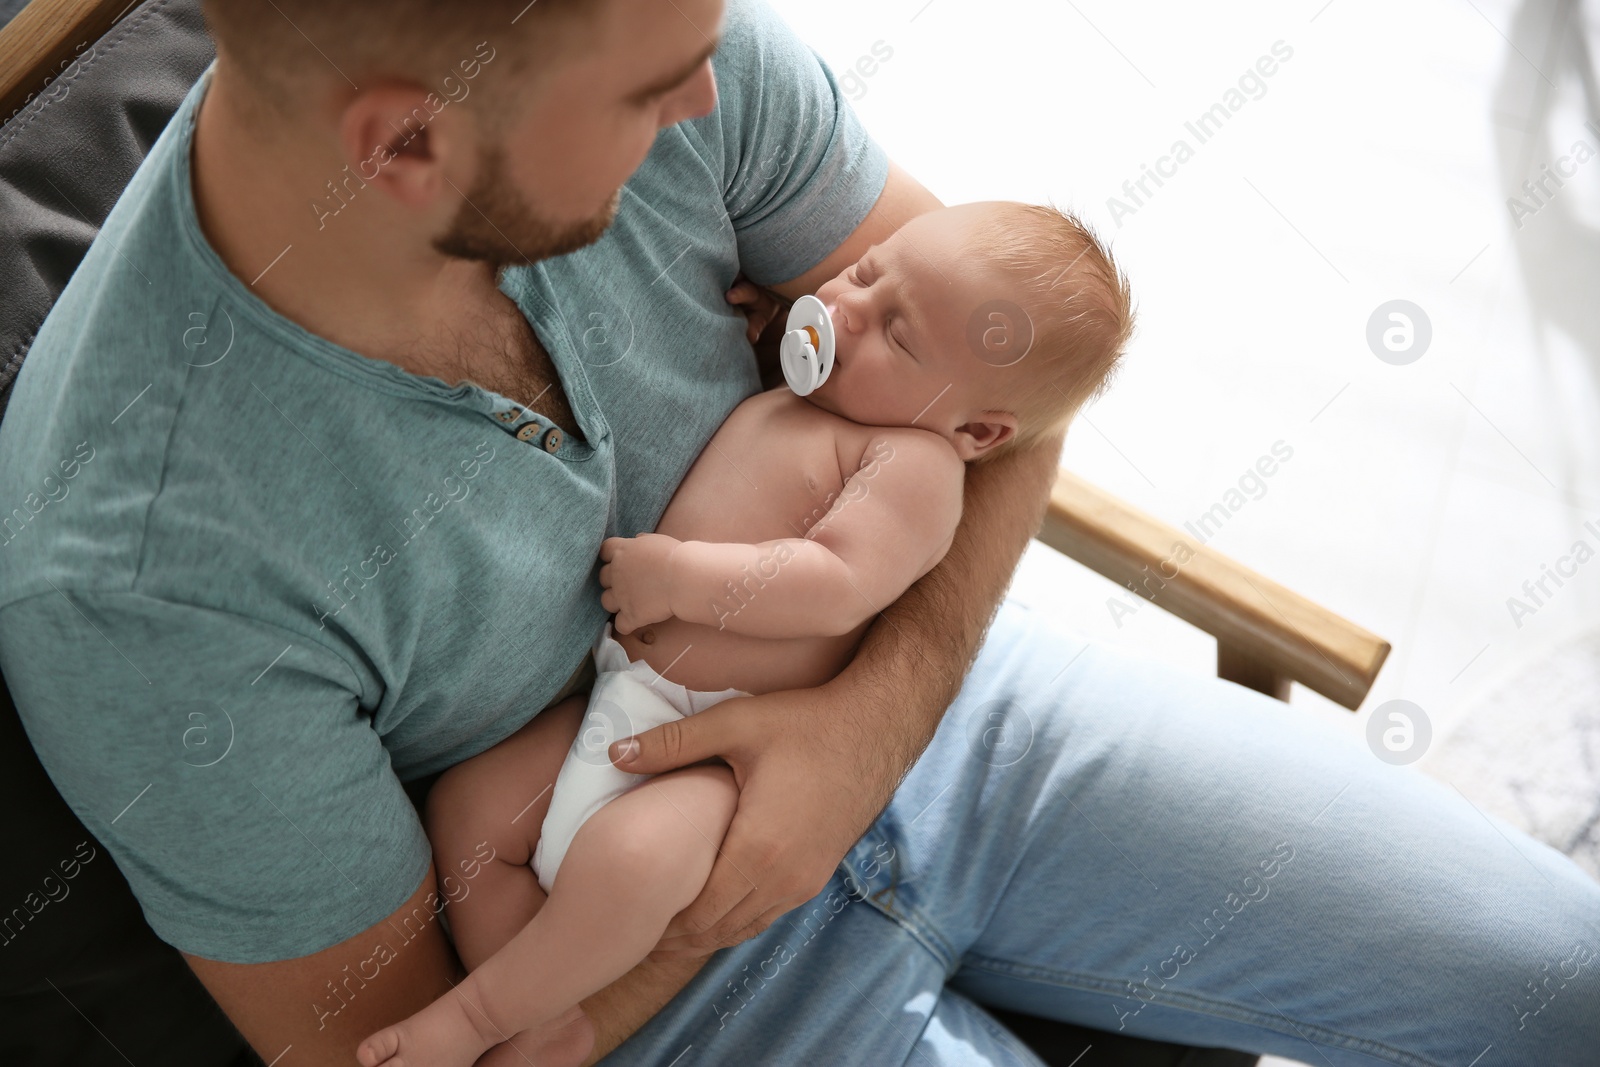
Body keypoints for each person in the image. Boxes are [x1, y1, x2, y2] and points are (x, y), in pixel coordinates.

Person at [0, 0, 1595, 1064]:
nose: (707, 94)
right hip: (659, 981)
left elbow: (1010, 393)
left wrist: (852, 737)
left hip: (947, 716)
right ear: (406, 146)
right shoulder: (147, 580)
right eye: (650, 94)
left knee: (1563, 980)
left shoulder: (657, 40)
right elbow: (401, 1042)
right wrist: (718, 884)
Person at [357, 200, 1134, 1067]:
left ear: (977, 430)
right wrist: (764, 334)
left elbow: (835, 584)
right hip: (621, 699)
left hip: (718, 754)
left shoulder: (914, 467)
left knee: (634, 859)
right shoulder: (815, 397)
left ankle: (477, 1019)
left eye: (899, 337)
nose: (845, 310)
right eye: (868, 273)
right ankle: (540, 1004)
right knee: (473, 807)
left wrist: (683, 577)